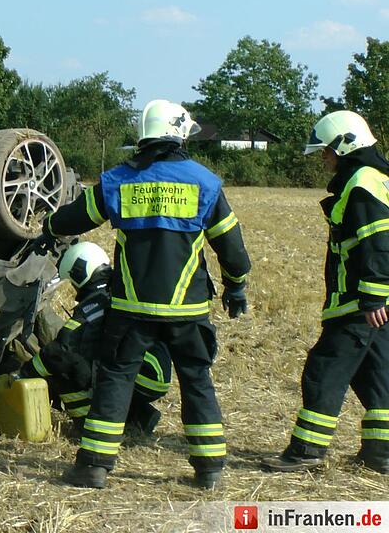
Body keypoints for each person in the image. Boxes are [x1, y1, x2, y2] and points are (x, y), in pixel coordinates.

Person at [44, 99, 252, 490]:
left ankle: (94, 467)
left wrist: (48, 225)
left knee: (115, 380)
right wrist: (236, 284)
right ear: (180, 134)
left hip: (131, 308)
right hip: (187, 309)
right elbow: (231, 245)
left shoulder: (119, 180)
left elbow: (75, 218)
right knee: (196, 380)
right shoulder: (205, 182)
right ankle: (209, 470)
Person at [262, 110, 389, 475]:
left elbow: (379, 244)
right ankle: (381, 453)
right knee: (378, 377)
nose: (323, 157)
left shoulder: (362, 183)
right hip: (372, 302)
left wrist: (372, 297)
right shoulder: (376, 178)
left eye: (327, 150)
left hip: (357, 302)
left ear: (345, 145)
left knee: (323, 370)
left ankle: (306, 450)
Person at [17, 241, 172, 436]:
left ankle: (87, 424)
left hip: (141, 371)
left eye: (73, 282)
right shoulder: (116, 287)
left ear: (80, 272)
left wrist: (26, 372)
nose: (74, 288)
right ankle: (138, 416)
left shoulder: (95, 302)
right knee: (99, 361)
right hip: (154, 371)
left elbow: (64, 349)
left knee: (70, 371)